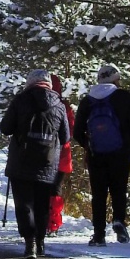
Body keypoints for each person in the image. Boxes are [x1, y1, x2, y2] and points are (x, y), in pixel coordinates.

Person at [0, 68, 70, 258]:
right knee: (41, 202)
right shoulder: (59, 105)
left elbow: (5, 128)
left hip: (21, 160)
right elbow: (65, 137)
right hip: (47, 161)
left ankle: (29, 241)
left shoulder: (20, 100)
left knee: (24, 203)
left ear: (29, 82)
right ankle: (40, 242)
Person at [73, 63, 130, 247]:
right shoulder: (123, 96)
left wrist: (89, 145)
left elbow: (77, 131)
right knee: (119, 190)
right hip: (120, 154)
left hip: (97, 155)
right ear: (114, 78)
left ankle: (99, 235)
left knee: (99, 194)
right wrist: (128, 146)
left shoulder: (88, 100)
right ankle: (118, 221)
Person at [46, 73, 75, 236]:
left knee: (41, 188)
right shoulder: (65, 107)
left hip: (42, 154)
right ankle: (53, 222)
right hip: (62, 156)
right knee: (55, 190)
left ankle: (41, 220)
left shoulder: (38, 104)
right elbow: (70, 131)